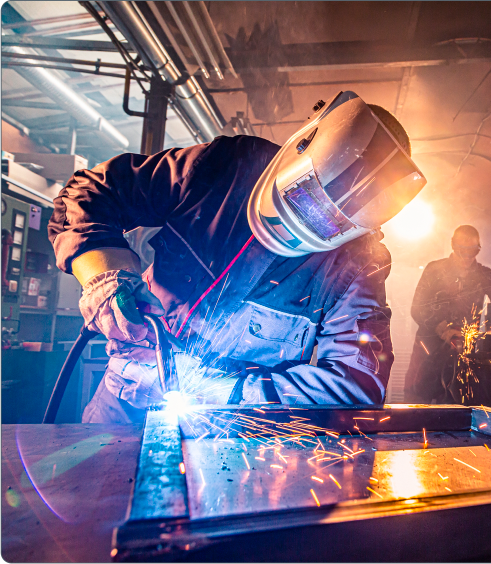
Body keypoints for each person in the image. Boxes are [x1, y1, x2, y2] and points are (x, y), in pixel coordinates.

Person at [48, 91, 426, 423]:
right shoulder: (223, 167)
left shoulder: (357, 263)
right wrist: (107, 279)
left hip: (232, 426)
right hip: (126, 392)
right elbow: (91, 193)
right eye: (305, 198)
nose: (304, 224)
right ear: (304, 151)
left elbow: (355, 387)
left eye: (330, 223)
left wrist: (222, 392)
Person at [403, 225, 491, 404]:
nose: (466, 256)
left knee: (459, 399)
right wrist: (443, 329)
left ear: (478, 249)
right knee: (417, 397)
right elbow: (417, 308)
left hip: (463, 348)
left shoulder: (484, 275)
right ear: (452, 245)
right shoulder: (434, 270)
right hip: (429, 346)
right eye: (462, 250)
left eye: (472, 251)